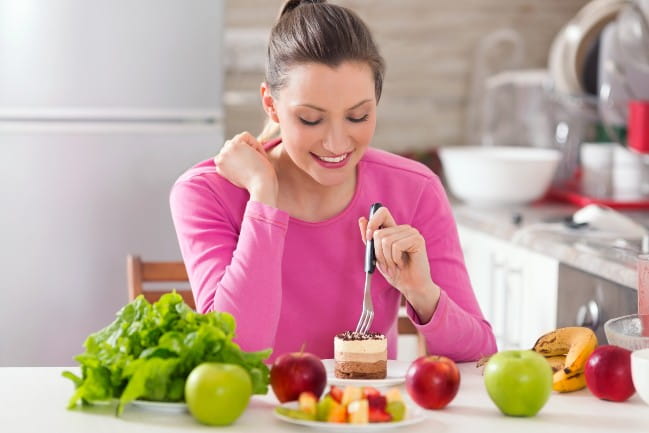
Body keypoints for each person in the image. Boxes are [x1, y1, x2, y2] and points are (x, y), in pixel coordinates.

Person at [170, 0, 496, 362]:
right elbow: (235, 351)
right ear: (271, 105)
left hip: (363, 414)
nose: (336, 144)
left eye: (358, 116)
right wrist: (263, 196)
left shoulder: (414, 190)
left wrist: (421, 292)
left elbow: (479, 355)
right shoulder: (205, 193)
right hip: (251, 416)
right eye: (311, 119)